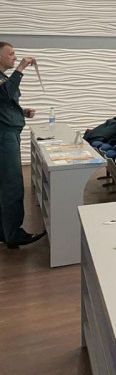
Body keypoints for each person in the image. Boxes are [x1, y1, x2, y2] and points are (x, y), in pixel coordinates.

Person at [0, 42, 46, 249]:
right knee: (12, 186)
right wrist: (20, 69)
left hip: (9, 134)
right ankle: (14, 234)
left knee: (5, 185)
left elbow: (5, 103)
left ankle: (5, 231)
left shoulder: (3, 78)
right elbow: (4, 94)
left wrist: (22, 111)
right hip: (4, 137)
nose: (15, 57)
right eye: (10, 54)